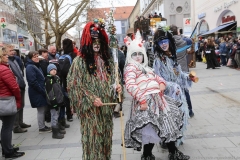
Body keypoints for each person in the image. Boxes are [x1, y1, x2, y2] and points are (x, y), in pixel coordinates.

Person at [123, 31, 190, 160]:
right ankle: (150, 154)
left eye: (140, 54)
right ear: (130, 56)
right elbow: (130, 85)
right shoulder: (131, 68)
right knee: (153, 128)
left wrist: (161, 83)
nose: (137, 57)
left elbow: (157, 77)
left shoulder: (145, 68)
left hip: (158, 100)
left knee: (165, 125)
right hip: (146, 102)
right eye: (134, 54)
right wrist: (142, 100)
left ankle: (169, 152)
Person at [67, 20, 122, 160]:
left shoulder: (108, 61)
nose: (96, 44)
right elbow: (74, 86)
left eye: (99, 41)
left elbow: (114, 80)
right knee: (93, 142)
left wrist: (117, 88)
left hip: (106, 111)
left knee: (105, 140)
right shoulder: (79, 62)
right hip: (91, 113)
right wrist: (91, 98)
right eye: (93, 41)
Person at [153, 27, 196, 147]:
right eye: (161, 42)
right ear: (157, 44)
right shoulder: (158, 60)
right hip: (166, 97)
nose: (164, 44)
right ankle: (167, 142)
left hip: (178, 96)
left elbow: (179, 74)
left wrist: (188, 77)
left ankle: (177, 138)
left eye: (165, 41)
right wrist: (173, 86)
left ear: (170, 41)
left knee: (179, 118)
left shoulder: (172, 57)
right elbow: (158, 79)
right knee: (167, 120)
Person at [0, 47, 25, 159]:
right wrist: (18, 99)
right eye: (5, 55)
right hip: (7, 100)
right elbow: (14, 87)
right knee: (7, 127)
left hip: (2, 99)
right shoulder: (3, 69)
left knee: (5, 127)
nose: (7, 57)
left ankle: (7, 148)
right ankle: (8, 151)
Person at [6, 44, 31, 133]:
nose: (13, 52)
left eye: (13, 50)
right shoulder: (7, 62)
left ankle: (20, 122)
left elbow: (19, 72)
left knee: (22, 105)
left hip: (21, 85)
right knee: (17, 107)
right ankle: (16, 126)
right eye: (10, 50)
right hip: (16, 87)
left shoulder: (15, 59)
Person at [25, 51, 51, 133]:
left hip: (39, 91)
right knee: (41, 110)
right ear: (30, 58)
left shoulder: (36, 65)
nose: (36, 58)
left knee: (42, 109)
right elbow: (33, 82)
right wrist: (41, 90)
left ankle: (42, 125)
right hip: (36, 92)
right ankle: (41, 127)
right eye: (34, 57)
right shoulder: (30, 67)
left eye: (37, 56)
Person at [45, 64, 65, 139]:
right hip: (53, 102)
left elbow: (59, 90)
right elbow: (50, 93)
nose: (54, 71)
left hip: (58, 101)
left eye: (55, 69)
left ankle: (58, 129)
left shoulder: (56, 78)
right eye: (52, 70)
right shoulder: (48, 80)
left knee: (57, 115)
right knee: (54, 116)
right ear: (48, 71)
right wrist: (53, 101)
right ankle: (55, 133)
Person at [59, 38, 76, 124]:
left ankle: (67, 114)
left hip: (63, 79)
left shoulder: (61, 54)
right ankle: (70, 113)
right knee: (71, 96)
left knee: (65, 96)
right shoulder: (72, 55)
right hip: (70, 78)